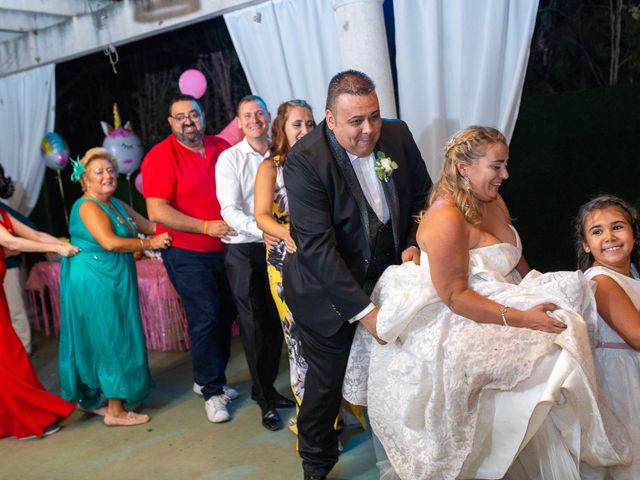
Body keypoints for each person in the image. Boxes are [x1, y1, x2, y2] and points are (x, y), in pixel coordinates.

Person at [343, 126, 629, 479]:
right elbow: (455, 296)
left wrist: (539, 292)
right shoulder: (446, 217)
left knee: (570, 308)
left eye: (505, 165)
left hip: (504, 294)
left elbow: (516, 260)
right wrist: (525, 318)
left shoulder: (494, 199)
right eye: (497, 166)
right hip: (463, 314)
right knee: (552, 362)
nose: (505, 175)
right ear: (464, 167)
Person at [283, 70, 431, 479]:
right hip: (324, 292)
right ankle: (316, 463)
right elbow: (317, 248)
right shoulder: (304, 162)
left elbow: (423, 196)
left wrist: (414, 240)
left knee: (400, 369)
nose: (369, 131)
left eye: (375, 116)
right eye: (355, 121)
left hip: (388, 279)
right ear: (330, 119)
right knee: (325, 385)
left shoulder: (397, 136)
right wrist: (364, 312)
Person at [142, 94, 239, 425]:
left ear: (203, 116)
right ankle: (212, 392)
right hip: (185, 251)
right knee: (206, 314)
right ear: (171, 123)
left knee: (227, 313)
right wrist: (206, 226)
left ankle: (209, 378)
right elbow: (157, 211)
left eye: (193, 114)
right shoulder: (159, 157)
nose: (187, 121)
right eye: (179, 116)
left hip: (225, 248)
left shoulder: (220, 148)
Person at [60, 147, 170, 427]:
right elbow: (109, 242)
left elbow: (150, 225)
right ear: (86, 180)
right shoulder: (86, 205)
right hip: (94, 279)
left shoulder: (116, 204)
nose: (107, 176)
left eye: (110, 170)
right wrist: (149, 245)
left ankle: (105, 396)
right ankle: (115, 410)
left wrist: (185, 227)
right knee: (109, 338)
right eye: (99, 172)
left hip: (116, 276)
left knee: (119, 333)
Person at [216, 95, 294, 432]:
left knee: (278, 319)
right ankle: (263, 397)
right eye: (247, 115)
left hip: (279, 248)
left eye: (259, 112)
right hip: (246, 250)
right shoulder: (229, 159)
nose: (254, 119)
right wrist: (262, 229)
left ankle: (272, 390)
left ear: (268, 117)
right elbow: (229, 210)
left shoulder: (282, 155)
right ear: (239, 122)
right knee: (254, 325)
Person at [0, 166, 78, 439]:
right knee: (10, 359)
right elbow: (11, 242)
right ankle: (30, 416)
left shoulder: (2, 213)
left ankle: (13, 417)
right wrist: (57, 249)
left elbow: (33, 236)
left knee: (10, 358)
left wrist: (61, 243)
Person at [254, 99, 315, 430]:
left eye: (309, 124)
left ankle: (330, 409)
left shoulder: (323, 162)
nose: (305, 130)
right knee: (299, 341)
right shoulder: (270, 168)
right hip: (285, 260)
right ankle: (310, 418)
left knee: (324, 338)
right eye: (297, 124)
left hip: (322, 260)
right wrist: (285, 232)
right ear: (282, 128)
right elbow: (261, 215)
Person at [576, 194, 640, 480]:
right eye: (597, 231)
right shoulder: (601, 279)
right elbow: (637, 335)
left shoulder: (633, 277)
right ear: (586, 245)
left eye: (618, 226)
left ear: (634, 234)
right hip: (620, 383)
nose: (610, 236)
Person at [0, 187, 37, 355]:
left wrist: (13, 249)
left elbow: (30, 231)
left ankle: (24, 350)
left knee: (15, 310)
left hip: (7, 267)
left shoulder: (3, 209)